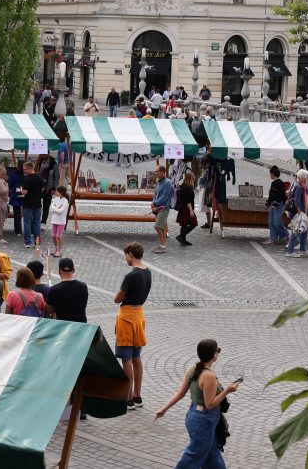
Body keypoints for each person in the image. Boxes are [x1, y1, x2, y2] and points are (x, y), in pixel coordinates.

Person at [154, 339, 240, 469]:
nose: (219, 352)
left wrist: (163, 409)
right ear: (213, 354)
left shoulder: (194, 368)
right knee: (193, 456)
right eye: (218, 350)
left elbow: (180, 393)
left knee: (212, 455)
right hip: (205, 420)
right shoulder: (209, 376)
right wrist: (227, 390)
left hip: (194, 416)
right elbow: (210, 404)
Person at [115, 242, 152, 410]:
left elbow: (119, 297)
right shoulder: (148, 272)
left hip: (127, 318)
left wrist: (118, 297)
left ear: (130, 254)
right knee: (137, 357)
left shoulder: (131, 275)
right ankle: (138, 394)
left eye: (126, 255)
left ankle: (128, 397)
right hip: (139, 316)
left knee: (126, 359)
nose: (125, 259)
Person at [47, 257, 88, 323]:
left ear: (59, 271)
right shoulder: (83, 286)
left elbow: (48, 310)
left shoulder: (55, 289)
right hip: (81, 326)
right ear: (73, 270)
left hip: (63, 327)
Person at [286, 169, 308, 259]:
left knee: (304, 230)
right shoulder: (299, 187)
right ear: (303, 178)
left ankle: (302, 250)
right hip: (298, 212)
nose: (307, 178)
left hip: (298, 212)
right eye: (306, 176)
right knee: (295, 231)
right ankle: (290, 251)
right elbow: (296, 200)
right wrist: (300, 212)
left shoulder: (299, 185)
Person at [21, 161, 44, 247]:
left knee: (27, 223)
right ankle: (37, 242)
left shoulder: (27, 179)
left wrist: (20, 192)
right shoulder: (39, 177)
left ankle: (27, 242)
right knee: (37, 223)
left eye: (25, 169)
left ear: (30, 168)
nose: (24, 171)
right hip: (37, 203)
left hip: (28, 204)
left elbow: (24, 192)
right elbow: (42, 189)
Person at [151, 165, 173, 253]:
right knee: (163, 227)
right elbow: (155, 194)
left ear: (163, 172)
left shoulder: (167, 183)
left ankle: (163, 246)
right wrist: (153, 204)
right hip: (157, 207)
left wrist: (155, 203)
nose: (155, 173)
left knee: (157, 226)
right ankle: (162, 246)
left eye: (157, 171)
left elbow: (165, 197)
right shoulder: (158, 182)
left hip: (164, 208)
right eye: (155, 171)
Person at [265, 165, 288, 246]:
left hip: (278, 204)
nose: (270, 175)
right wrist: (268, 203)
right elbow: (271, 195)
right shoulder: (273, 183)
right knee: (271, 222)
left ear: (273, 174)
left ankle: (286, 236)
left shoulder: (280, 183)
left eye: (270, 174)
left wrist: (275, 203)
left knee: (277, 222)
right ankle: (272, 238)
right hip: (272, 204)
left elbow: (281, 195)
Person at [175, 171, 197, 247]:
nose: (194, 179)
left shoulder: (183, 186)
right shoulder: (188, 188)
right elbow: (188, 201)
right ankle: (181, 236)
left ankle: (183, 240)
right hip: (187, 209)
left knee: (184, 224)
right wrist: (191, 210)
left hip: (182, 208)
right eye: (193, 177)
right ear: (190, 178)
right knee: (193, 223)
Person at [38, 154, 60, 226]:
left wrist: (54, 188)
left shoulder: (53, 163)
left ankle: (43, 222)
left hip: (49, 188)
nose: (41, 156)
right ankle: (37, 220)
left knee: (46, 206)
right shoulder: (40, 161)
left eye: (43, 155)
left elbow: (57, 177)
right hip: (39, 187)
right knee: (37, 204)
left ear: (47, 154)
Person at [49, 185, 69, 256]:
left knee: (59, 236)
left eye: (57, 192)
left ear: (62, 192)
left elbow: (61, 211)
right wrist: (56, 208)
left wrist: (55, 208)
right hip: (54, 220)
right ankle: (56, 248)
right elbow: (51, 208)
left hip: (61, 221)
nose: (56, 193)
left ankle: (59, 251)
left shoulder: (65, 201)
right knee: (54, 236)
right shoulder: (56, 199)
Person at [8, 161, 24, 238]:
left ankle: (18, 231)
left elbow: (10, 184)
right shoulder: (26, 175)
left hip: (16, 195)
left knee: (17, 214)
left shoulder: (14, 175)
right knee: (27, 214)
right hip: (25, 195)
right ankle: (29, 230)